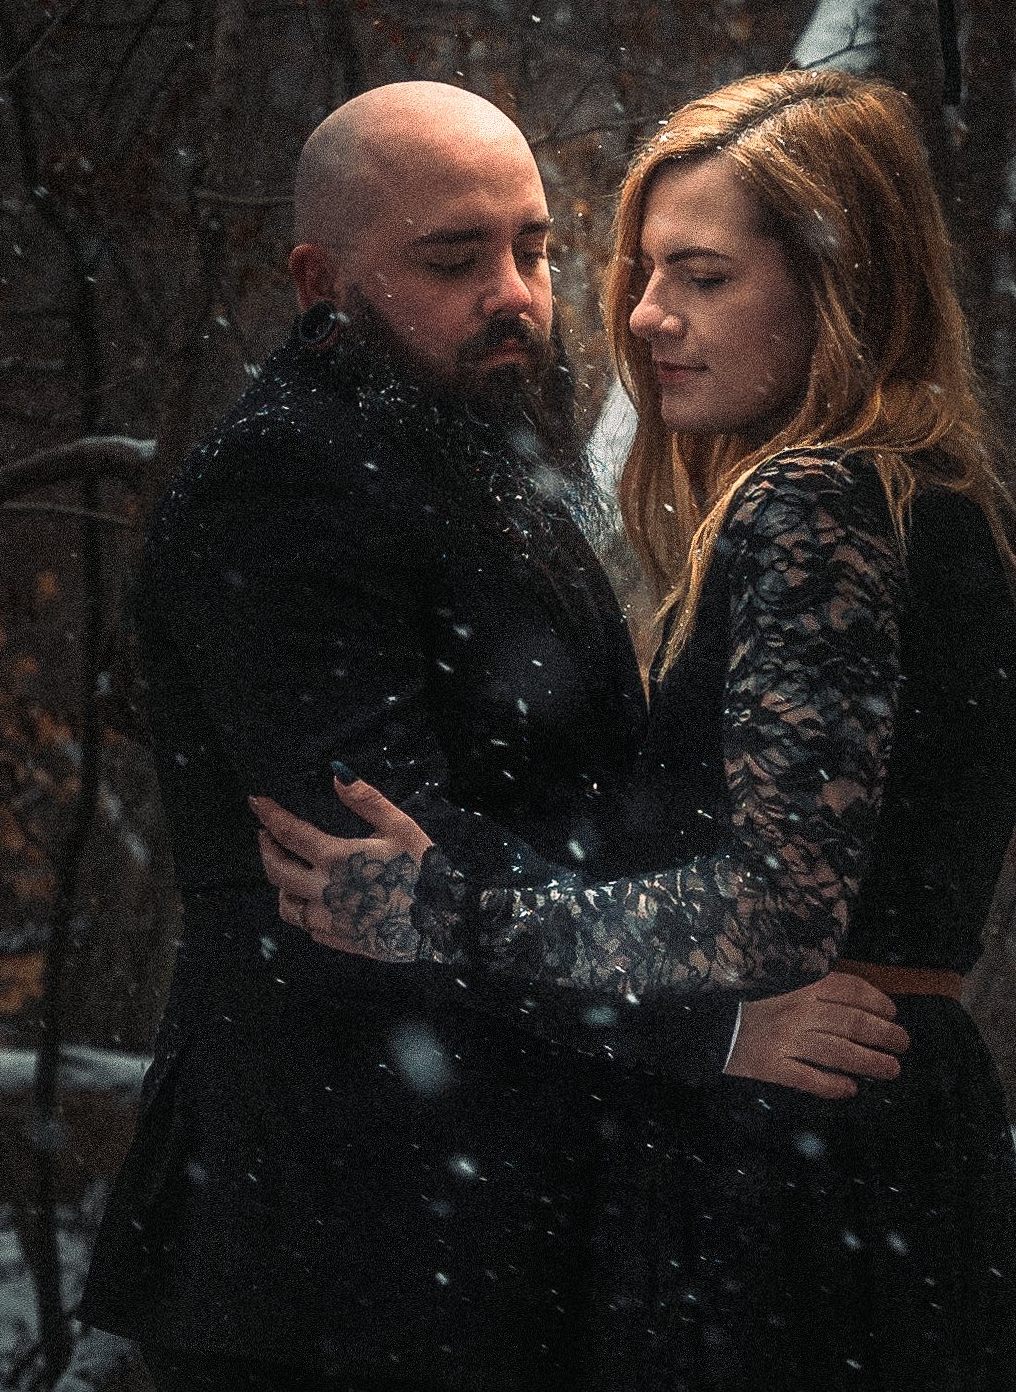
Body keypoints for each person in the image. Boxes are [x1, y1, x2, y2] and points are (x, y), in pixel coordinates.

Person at [78, 80, 911, 1392]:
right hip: (332, 1241)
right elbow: (374, 870)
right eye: (453, 261)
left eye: (534, 249)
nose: (515, 295)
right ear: (318, 281)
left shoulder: (472, 459)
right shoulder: (285, 483)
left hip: (469, 1220)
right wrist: (711, 1024)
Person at [257, 70, 1016, 1390]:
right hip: (874, 1138)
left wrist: (451, 914)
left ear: (839, 286)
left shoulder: (816, 504)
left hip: (799, 1164)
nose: (645, 315)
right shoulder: (921, 496)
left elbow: (775, 910)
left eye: (704, 277)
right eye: (642, 271)